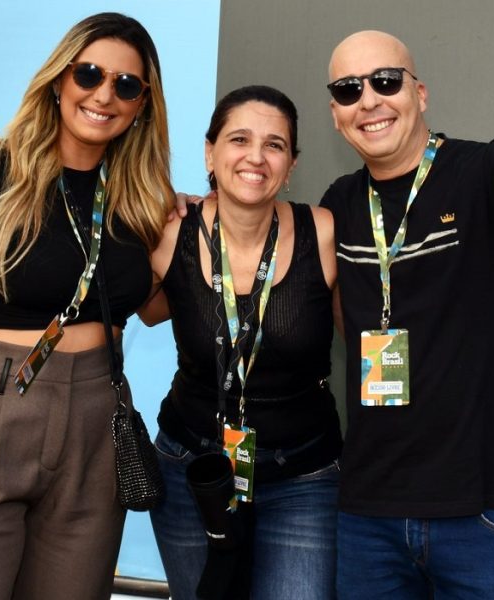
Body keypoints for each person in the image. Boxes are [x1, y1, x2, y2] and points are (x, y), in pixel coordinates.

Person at [320, 30, 494, 599]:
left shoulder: (484, 168)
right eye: (349, 89)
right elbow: (345, 312)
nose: (368, 99)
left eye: (385, 81)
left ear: (420, 93)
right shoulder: (339, 204)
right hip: (367, 515)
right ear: (336, 114)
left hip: (482, 512)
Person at [0, 12, 172, 600]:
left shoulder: (144, 198)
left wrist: (215, 224)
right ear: (59, 80)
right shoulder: (1, 168)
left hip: (97, 416)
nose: (104, 95)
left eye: (126, 85)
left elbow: (156, 309)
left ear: (143, 103)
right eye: (90, 74)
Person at [140, 85, 342, 600]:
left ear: (291, 163)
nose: (256, 157)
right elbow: (144, 310)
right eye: (239, 139)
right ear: (210, 152)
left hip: (303, 477)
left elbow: (373, 320)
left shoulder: (322, 231)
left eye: (275, 145)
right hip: (194, 470)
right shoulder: (171, 233)